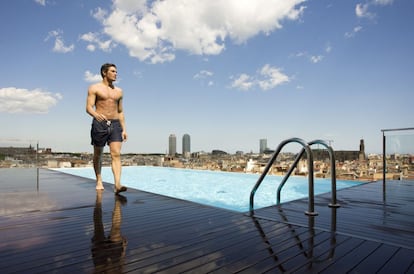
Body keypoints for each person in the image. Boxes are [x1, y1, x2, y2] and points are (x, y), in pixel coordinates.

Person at [86, 63, 127, 194]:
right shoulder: (94, 88)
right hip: (100, 124)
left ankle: (117, 185)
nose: (116, 74)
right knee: (98, 154)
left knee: (116, 154)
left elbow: (120, 111)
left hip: (115, 124)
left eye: (116, 71)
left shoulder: (119, 91)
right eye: (113, 71)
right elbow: (88, 107)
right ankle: (99, 180)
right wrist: (96, 115)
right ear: (104, 72)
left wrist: (124, 129)